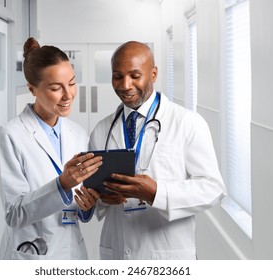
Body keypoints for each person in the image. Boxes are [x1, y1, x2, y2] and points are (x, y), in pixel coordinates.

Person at [89, 41, 227, 260]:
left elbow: (213, 188)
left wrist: (156, 193)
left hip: (168, 255)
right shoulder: (102, 130)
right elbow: (93, 194)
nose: (125, 85)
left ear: (153, 74)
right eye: (117, 76)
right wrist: (102, 198)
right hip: (117, 252)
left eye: (135, 75)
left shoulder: (187, 122)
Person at [0, 37, 102, 260]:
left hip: (71, 252)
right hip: (31, 251)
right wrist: (63, 184)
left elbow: (78, 206)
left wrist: (87, 206)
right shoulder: (11, 135)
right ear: (32, 88)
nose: (68, 95)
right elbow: (14, 214)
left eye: (71, 83)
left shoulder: (79, 134)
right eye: (55, 88)